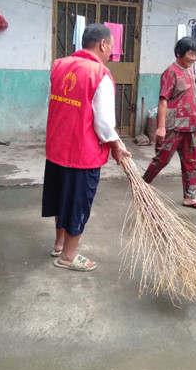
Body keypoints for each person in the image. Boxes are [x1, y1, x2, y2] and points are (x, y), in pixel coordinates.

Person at [42, 23, 131, 272]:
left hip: (57, 148)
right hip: (82, 153)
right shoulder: (100, 74)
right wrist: (115, 145)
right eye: (111, 46)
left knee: (60, 198)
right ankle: (68, 258)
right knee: (77, 203)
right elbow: (103, 123)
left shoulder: (59, 65)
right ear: (103, 44)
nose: (111, 51)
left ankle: (59, 244)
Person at [142, 37, 196, 211]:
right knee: (161, 159)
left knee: (192, 162)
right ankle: (142, 186)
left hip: (192, 125)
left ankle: (190, 197)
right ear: (179, 54)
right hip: (174, 125)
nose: (194, 58)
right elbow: (163, 101)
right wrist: (161, 127)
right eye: (191, 54)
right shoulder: (170, 72)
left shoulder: (189, 71)